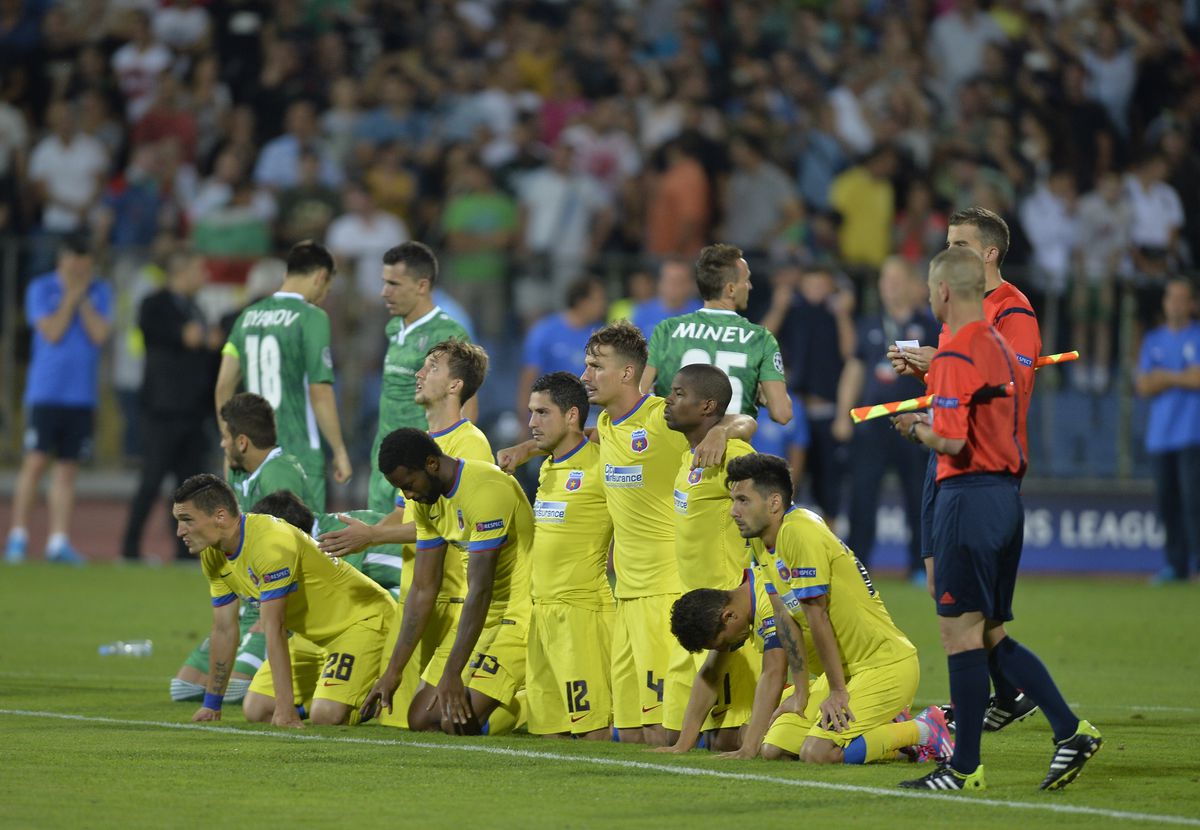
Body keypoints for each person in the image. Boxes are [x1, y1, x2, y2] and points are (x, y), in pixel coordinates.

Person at [892, 247, 1101, 791]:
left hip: (967, 496)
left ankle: (963, 768)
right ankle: (1069, 729)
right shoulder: (999, 347)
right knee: (987, 631)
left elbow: (953, 439)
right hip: (1006, 499)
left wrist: (916, 426)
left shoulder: (955, 353)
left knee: (958, 631)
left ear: (942, 291)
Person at [498, 321, 756, 745]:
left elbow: (742, 418)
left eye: (596, 367)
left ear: (626, 374)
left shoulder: (661, 417)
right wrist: (528, 447)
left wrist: (720, 430)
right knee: (631, 731)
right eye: (586, 366)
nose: (585, 377)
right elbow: (577, 437)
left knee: (663, 731)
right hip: (626, 596)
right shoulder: (610, 429)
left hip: (665, 591)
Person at [887, 206, 1043, 731]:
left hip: (979, 466)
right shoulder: (958, 309)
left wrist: (945, 363)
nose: (949, 251)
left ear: (990, 253)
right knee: (942, 587)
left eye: (960, 243)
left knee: (965, 600)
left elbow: (1012, 389)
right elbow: (950, 393)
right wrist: (927, 373)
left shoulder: (1012, 312)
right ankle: (1007, 693)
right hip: (945, 455)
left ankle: (1008, 701)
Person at [725, 453, 949, 767]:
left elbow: (818, 616)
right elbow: (784, 619)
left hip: (883, 666)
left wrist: (838, 692)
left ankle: (924, 730)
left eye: (743, 500)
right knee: (774, 747)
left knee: (818, 753)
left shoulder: (799, 533)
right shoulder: (763, 542)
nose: (734, 510)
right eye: (733, 499)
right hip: (842, 676)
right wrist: (801, 692)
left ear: (774, 503)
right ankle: (882, 723)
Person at [325, 339, 493, 729]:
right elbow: (406, 517)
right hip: (418, 597)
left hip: (453, 600)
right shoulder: (422, 443)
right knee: (399, 721)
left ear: (455, 386)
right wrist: (351, 544)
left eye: (432, 367)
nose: (419, 373)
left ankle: (515, 703)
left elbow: (461, 526)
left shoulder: (469, 445)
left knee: (437, 720)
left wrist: (373, 537)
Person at [176, 474, 396, 728]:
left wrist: (285, 709)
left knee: (327, 716)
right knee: (256, 708)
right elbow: (224, 629)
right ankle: (334, 693)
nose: (180, 531)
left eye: (187, 520)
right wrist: (212, 704)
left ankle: (372, 698)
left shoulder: (270, 543)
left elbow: (275, 627)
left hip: (360, 623)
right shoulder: (213, 555)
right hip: (310, 637)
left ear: (220, 516)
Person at [361, 429, 533, 736]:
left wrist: (453, 672)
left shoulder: (486, 489)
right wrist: (393, 672)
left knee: (453, 722)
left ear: (431, 464)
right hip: (480, 618)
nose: (408, 496)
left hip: (517, 615)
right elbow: (423, 589)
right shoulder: (428, 501)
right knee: (419, 718)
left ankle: (530, 701)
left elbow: (480, 590)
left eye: (409, 485)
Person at [169, 392, 319, 705]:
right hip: (251, 603)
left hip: (277, 600)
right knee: (183, 688)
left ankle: (313, 682)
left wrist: (268, 614)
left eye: (225, 437)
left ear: (242, 442)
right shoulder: (241, 475)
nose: (222, 445)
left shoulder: (279, 474)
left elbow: (290, 548)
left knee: (238, 692)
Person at [658, 364, 758, 751]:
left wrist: (725, 430)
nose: (669, 400)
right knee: (673, 734)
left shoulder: (731, 453)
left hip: (728, 614)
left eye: (680, 394)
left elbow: (773, 508)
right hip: (695, 612)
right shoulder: (689, 458)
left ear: (708, 406)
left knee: (731, 738)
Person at [216, 241, 351, 511]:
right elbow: (320, 392)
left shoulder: (248, 317)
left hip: (251, 452)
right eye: (326, 289)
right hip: (298, 452)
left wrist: (229, 441)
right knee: (305, 545)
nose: (323, 295)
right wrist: (339, 450)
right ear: (320, 277)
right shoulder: (312, 317)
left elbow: (223, 386)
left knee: (252, 540)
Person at [6, 235, 112, 565]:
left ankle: (58, 540)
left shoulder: (100, 292)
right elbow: (52, 332)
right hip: (45, 392)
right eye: (74, 260)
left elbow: (99, 335)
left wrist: (82, 299)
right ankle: (18, 536)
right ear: (62, 260)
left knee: (67, 470)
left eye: (85, 263)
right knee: (35, 463)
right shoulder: (40, 288)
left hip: (81, 397)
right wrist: (70, 297)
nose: (80, 268)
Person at [833, 257, 939, 578]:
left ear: (911, 284)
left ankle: (921, 567)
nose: (889, 286)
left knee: (918, 496)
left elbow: (944, 372)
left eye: (896, 279)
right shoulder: (870, 324)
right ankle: (858, 564)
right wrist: (842, 415)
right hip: (874, 425)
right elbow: (854, 369)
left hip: (915, 423)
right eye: (885, 280)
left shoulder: (930, 325)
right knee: (862, 495)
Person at [524, 372, 615, 739]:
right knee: (549, 735)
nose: (531, 423)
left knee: (594, 732)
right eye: (531, 412)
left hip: (582, 616)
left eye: (542, 413)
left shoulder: (602, 465)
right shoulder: (547, 467)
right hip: (541, 613)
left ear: (573, 415)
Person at [122, 250, 221, 563]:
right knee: (151, 481)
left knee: (190, 489)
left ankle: (184, 551)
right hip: (162, 410)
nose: (203, 277)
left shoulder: (196, 308)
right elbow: (158, 333)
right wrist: (185, 336)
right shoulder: (155, 303)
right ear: (181, 272)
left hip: (192, 411)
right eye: (198, 270)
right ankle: (129, 549)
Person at [366, 242, 472, 516]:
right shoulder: (394, 327)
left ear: (422, 286)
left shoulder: (446, 332)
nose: (384, 292)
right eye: (384, 282)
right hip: (384, 462)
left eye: (394, 284)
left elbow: (466, 401)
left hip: (416, 468)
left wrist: (457, 463)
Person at [643, 244, 792, 423]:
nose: (749, 286)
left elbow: (638, 396)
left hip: (674, 448)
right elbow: (782, 414)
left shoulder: (667, 330)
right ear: (730, 289)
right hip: (732, 449)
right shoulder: (760, 339)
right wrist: (760, 393)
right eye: (746, 280)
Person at [660, 566, 787, 759]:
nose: (726, 650)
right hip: (824, 679)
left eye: (724, 643)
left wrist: (748, 749)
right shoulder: (740, 597)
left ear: (729, 616)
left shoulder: (768, 601)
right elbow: (711, 672)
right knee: (754, 734)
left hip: (842, 679)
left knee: (768, 743)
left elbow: (774, 672)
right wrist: (683, 744)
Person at [1135, 277, 1200, 583]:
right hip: (1160, 437)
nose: (1175, 303)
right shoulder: (1153, 340)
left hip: (1193, 434)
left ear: (1192, 304)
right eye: (1171, 297)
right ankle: (1175, 565)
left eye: (1181, 298)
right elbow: (1144, 385)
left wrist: (1166, 377)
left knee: (1194, 503)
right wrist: (1182, 376)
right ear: (1164, 302)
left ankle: (1197, 565)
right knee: (1167, 505)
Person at [516, 276, 606, 422]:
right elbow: (528, 377)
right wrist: (523, 421)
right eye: (598, 299)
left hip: (591, 417)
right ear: (582, 302)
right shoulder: (544, 331)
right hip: (552, 416)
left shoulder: (601, 335)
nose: (603, 305)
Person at [630, 258, 701, 339]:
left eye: (679, 281)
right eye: (669, 280)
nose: (673, 286)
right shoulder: (642, 313)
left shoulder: (703, 316)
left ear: (691, 285)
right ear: (660, 283)